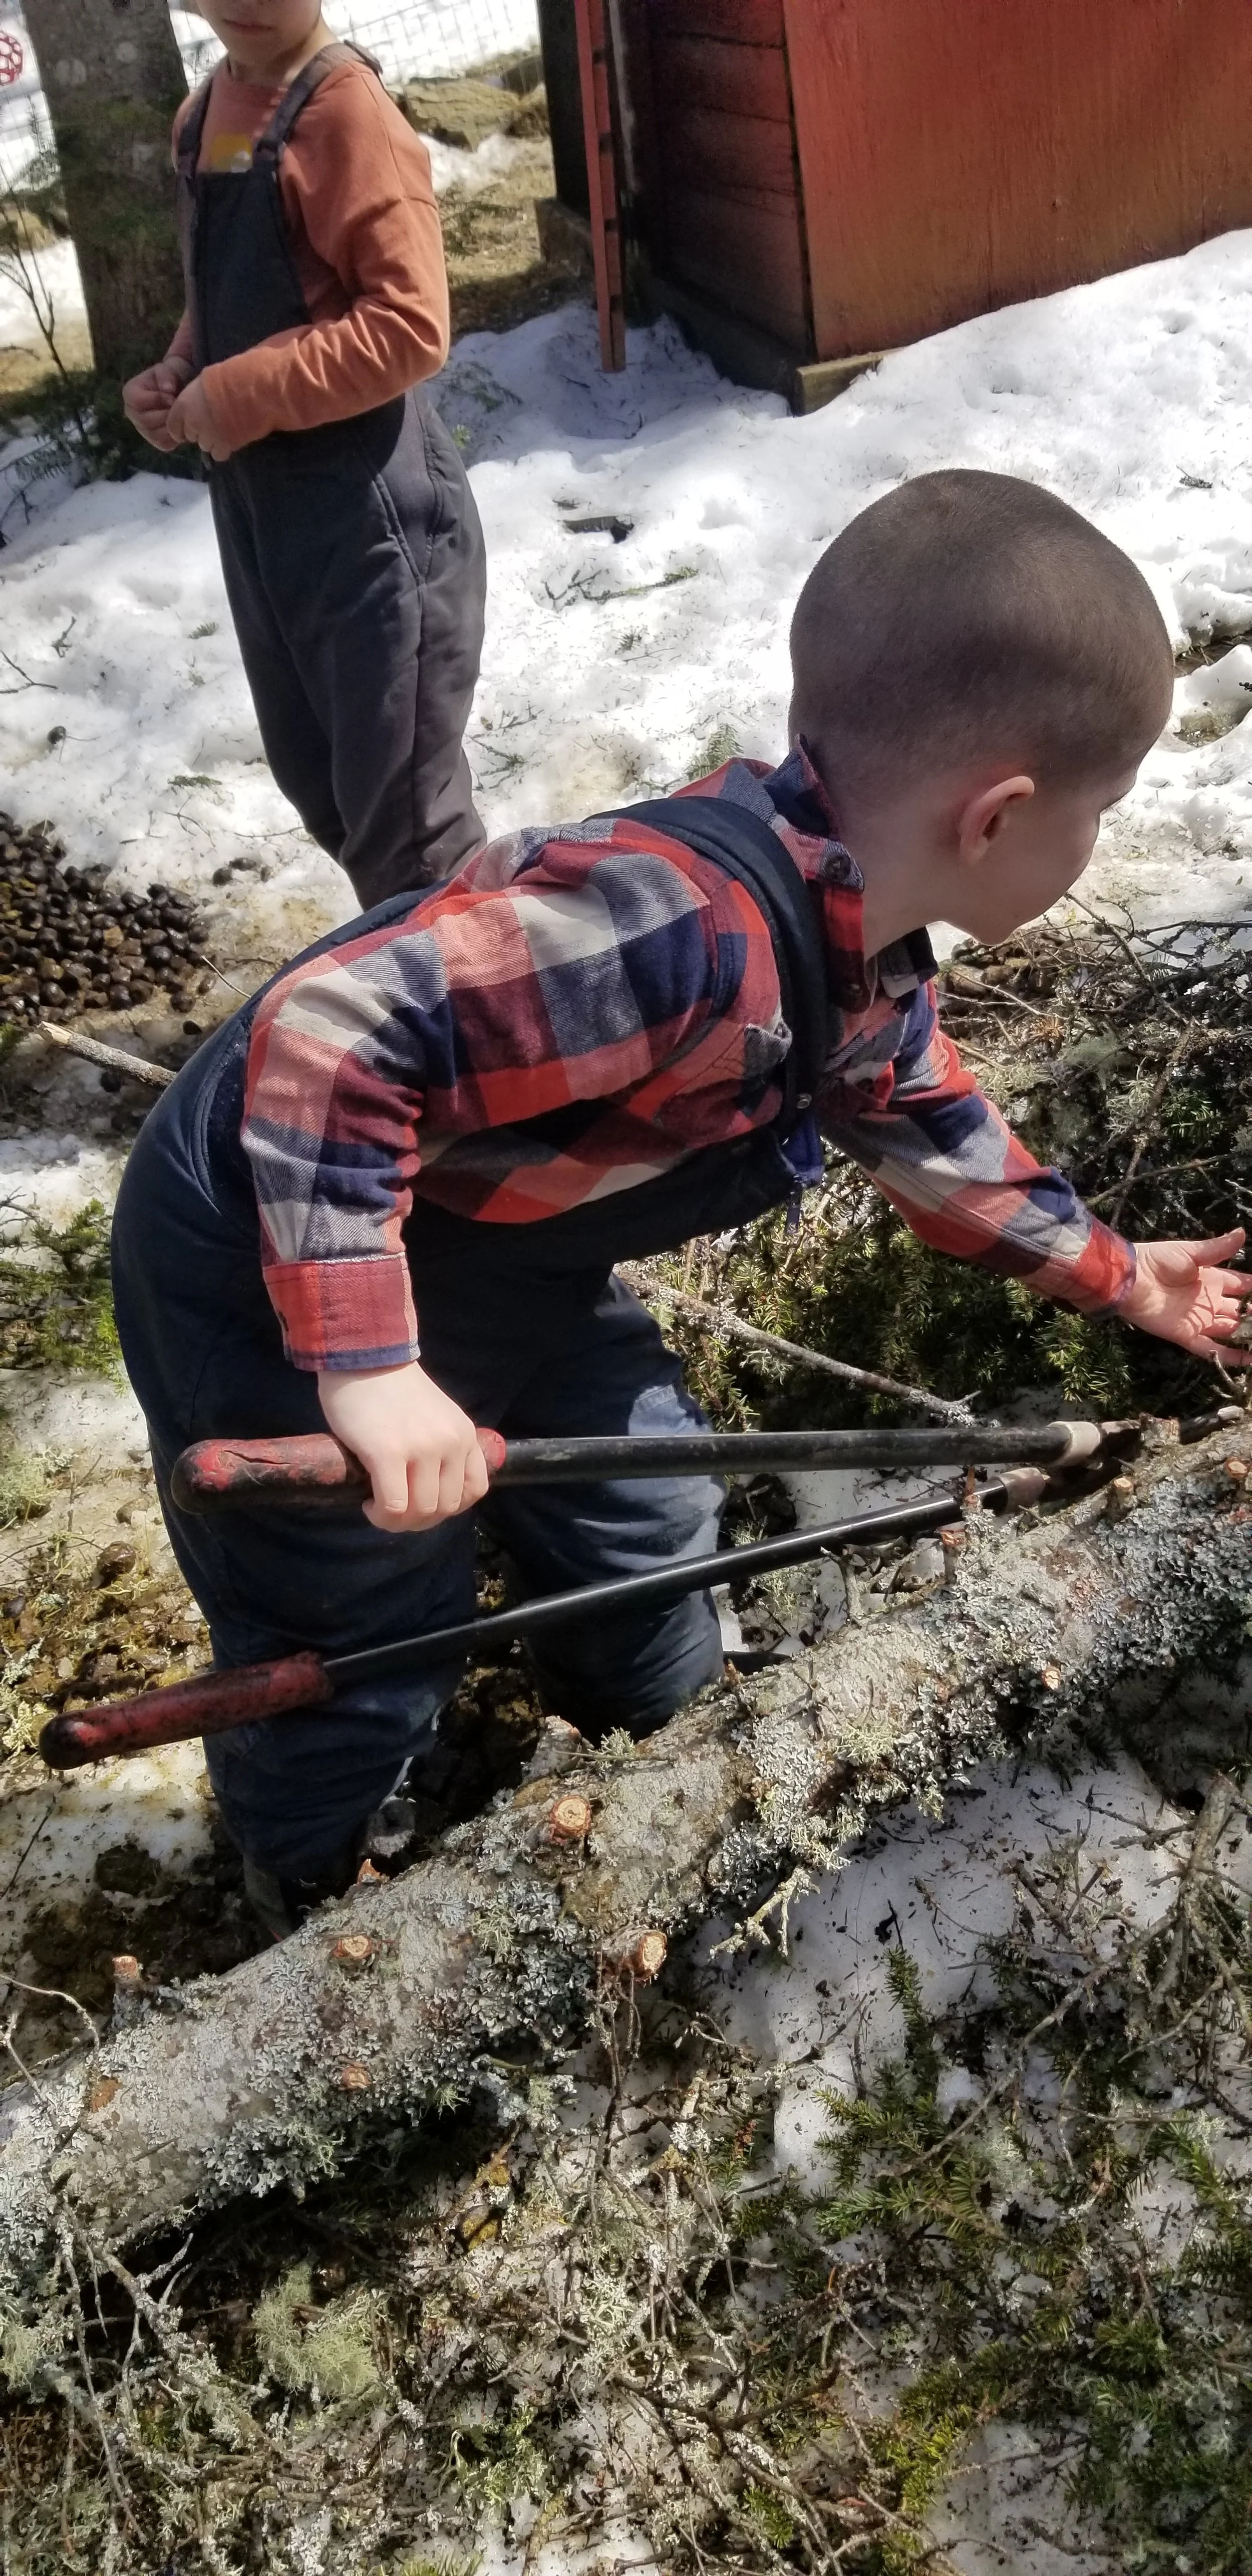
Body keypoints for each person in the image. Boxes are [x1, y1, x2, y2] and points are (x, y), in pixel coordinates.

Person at [112, 470, 1249, 1937]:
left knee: (642, 1488)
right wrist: (373, 1369)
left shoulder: (857, 950)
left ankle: (651, 1732)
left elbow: (932, 1132)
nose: (1096, 836)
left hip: (493, 1242)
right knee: (361, 1606)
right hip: (277, 1249)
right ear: (1001, 814)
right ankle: (317, 1869)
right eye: (1104, 809)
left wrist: (1119, 1278)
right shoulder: (674, 937)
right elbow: (333, 1040)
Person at [122, 0, 486, 910]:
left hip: (375, 519)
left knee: (406, 823)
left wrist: (238, 393)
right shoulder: (206, 113)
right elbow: (235, 278)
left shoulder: (345, 113)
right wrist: (183, 367)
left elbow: (411, 325)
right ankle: (423, 985)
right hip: (265, 518)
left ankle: (477, 1020)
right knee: (320, 781)